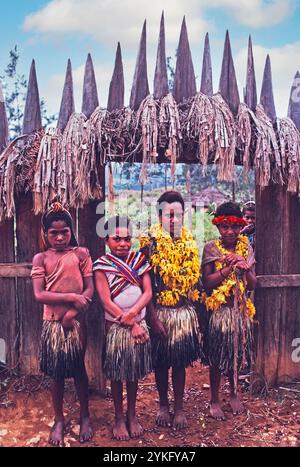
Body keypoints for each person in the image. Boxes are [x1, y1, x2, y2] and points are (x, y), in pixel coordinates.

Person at [31, 202, 94, 447]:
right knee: (56, 374)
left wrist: (73, 314)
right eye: (53, 233)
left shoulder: (81, 254)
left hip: (76, 324)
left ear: (71, 230)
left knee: (79, 368)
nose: (59, 237)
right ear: (45, 233)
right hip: (52, 325)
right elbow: (40, 295)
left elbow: (89, 289)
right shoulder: (41, 258)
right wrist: (70, 299)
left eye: (64, 232)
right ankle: (59, 419)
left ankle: (85, 415)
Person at [140, 191, 202, 430]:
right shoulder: (150, 243)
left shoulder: (189, 242)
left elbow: (193, 283)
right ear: (159, 216)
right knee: (161, 361)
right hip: (160, 311)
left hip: (182, 312)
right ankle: (163, 405)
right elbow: (143, 282)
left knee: (179, 361)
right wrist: (152, 317)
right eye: (169, 215)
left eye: (178, 215)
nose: (174, 220)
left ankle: (179, 408)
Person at [93, 216, 152, 441]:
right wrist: (131, 322)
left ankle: (132, 414)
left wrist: (134, 313)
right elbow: (105, 300)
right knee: (118, 373)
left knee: (133, 371)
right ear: (107, 240)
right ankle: (118, 417)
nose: (123, 244)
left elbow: (147, 292)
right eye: (117, 239)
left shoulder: (139, 261)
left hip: (137, 323)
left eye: (127, 239)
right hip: (117, 328)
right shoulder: (102, 266)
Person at [201, 202, 257, 421]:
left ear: (241, 226)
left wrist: (243, 264)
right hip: (219, 312)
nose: (230, 231)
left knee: (237, 353)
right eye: (224, 226)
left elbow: (252, 284)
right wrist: (228, 268)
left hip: (239, 312)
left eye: (235, 227)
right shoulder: (211, 248)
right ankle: (214, 398)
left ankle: (234, 392)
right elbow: (207, 284)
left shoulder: (247, 248)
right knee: (217, 356)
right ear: (217, 227)